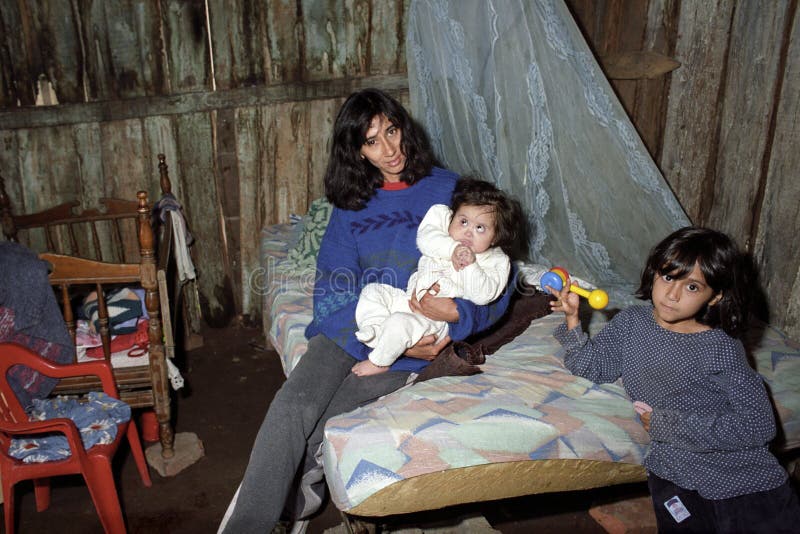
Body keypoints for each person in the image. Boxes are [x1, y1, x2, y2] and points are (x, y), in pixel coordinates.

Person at [218, 89, 514, 533]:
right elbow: (332, 283)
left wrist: (457, 318)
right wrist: (368, 338)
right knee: (293, 405)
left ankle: (299, 497)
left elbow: (499, 281)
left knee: (333, 417)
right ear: (357, 149)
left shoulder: (450, 191)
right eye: (372, 140)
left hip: (422, 338)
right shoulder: (350, 205)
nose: (389, 149)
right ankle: (251, 525)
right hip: (354, 327)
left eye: (392, 131)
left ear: (404, 128)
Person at [549, 226, 800, 533]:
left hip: (747, 480)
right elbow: (593, 367)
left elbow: (759, 425)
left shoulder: (722, 347)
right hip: (675, 474)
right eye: (668, 277)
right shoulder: (631, 323)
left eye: (692, 287)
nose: (672, 294)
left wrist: (667, 425)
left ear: (715, 296)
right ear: (654, 272)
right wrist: (573, 320)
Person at [352, 177, 521, 376]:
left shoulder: (495, 261)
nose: (468, 232)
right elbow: (425, 239)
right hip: (409, 300)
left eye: (480, 228)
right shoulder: (444, 233)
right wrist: (452, 249)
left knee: (398, 323)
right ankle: (375, 330)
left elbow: (483, 295)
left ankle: (380, 361)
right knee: (373, 291)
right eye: (464, 222)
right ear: (453, 218)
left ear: (495, 237)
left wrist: (470, 264)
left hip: (434, 321)